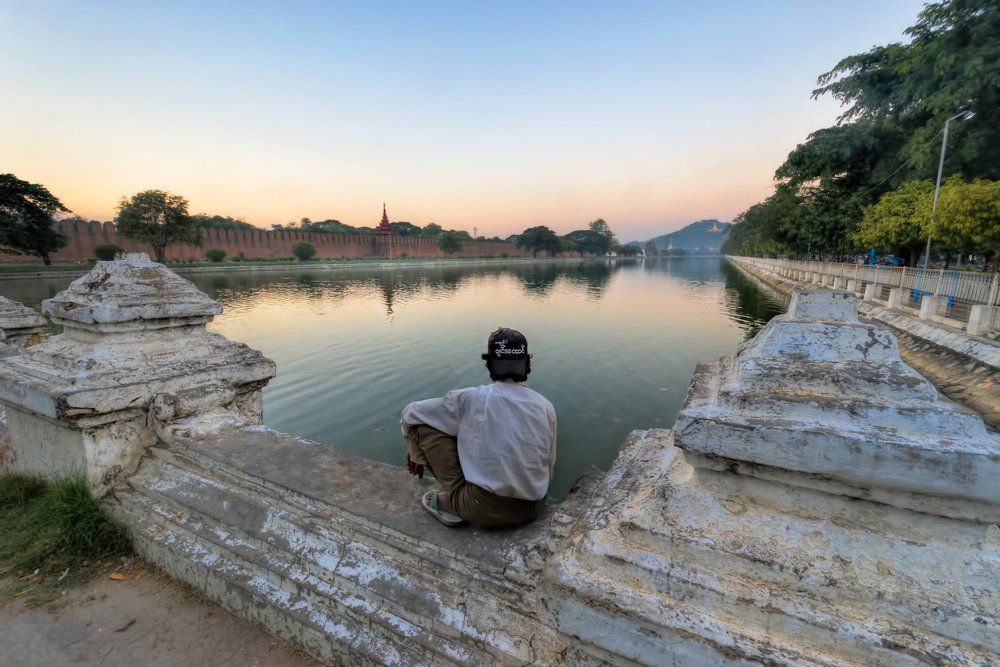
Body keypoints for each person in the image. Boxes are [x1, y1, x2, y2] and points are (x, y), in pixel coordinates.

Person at [401, 327, 557, 528]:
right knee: (465, 424)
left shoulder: (471, 398)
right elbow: (549, 465)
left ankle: (452, 502)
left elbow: (410, 412)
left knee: (426, 425)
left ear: (489, 364)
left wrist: (415, 453)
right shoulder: (545, 405)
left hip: (482, 509)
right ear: (527, 364)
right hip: (533, 508)